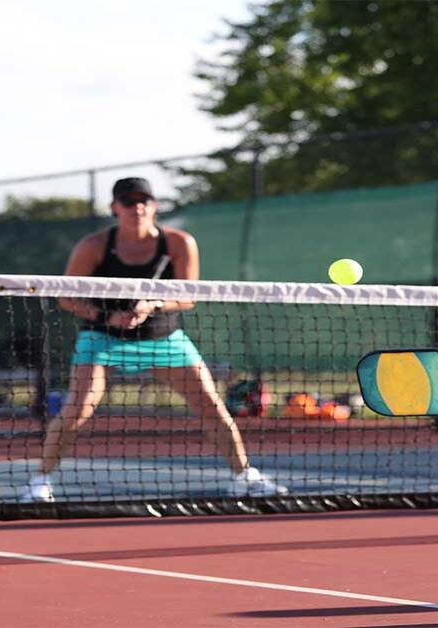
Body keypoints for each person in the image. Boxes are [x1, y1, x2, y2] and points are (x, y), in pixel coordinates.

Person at [21, 177, 286, 502]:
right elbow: (66, 297)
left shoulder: (178, 243)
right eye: (129, 202)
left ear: (155, 205)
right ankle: (40, 482)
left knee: (212, 407)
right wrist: (107, 317)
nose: (138, 207)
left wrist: (154, 304)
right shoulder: (93, 247)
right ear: (115, 208)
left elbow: (189, 297)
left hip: (164, 338)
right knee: (77, 410)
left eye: (144, 200)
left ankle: (244, 476)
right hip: (102, 339)